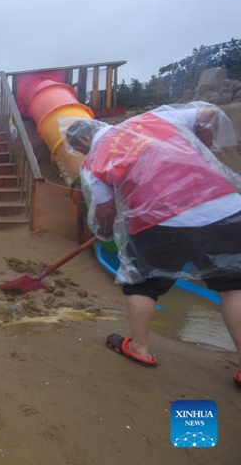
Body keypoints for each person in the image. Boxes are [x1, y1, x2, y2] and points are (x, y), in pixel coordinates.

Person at [65, 102, 241, 385]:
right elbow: (209, 114)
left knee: (142, 285)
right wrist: (200, 146)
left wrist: (106, 231)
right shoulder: (156, 119)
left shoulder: (95, 160)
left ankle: (139, 348)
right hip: (224, 209)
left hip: (160, 223)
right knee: (234, 288)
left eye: (81, 148)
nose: (84, 153)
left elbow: (106, 210)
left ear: (85, 139)